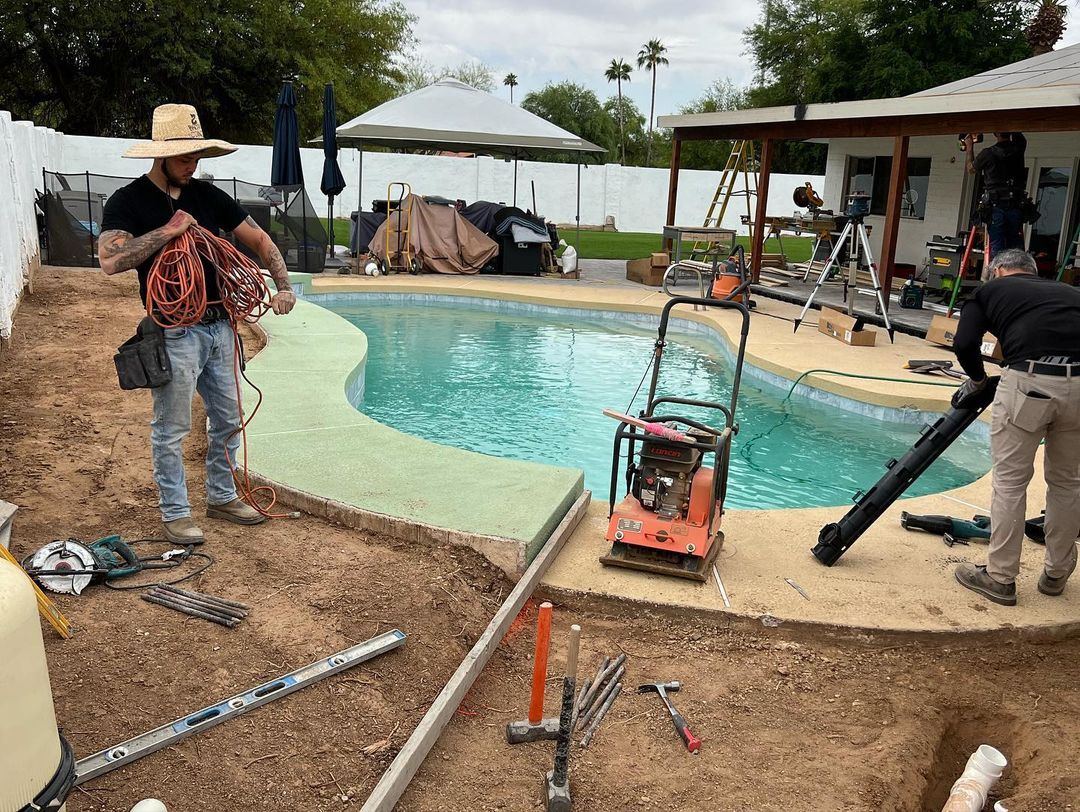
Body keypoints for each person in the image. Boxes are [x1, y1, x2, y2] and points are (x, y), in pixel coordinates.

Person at [98, 104, 297, 545]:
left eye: (197, 158)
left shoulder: (208, 196)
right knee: (172, 428)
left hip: (221, 325)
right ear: (161, 156)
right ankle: (176, 513)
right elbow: (111, 260)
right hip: (173, 329)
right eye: (186, 158)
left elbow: (261, 241)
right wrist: (167, 232)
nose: (193, 166)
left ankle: (222, 497)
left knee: (229, 418)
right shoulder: (128, 202)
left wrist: (283, 286)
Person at [951, 249, 1080, 605]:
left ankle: (1001, 577)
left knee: (1010, 482)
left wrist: (977, 381)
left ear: (999, 270)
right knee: (1067, 482)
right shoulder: (1071, 294)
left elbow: (964, 343)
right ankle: (1056, 573)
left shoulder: (988, 291)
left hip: (1029, 383)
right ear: (1033, 273)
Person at [965, 132, 1027, 258]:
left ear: (995, 133)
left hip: (995, 205)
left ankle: (997, 275)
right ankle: (1013, 274)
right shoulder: (1018, 150)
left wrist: (969, 147)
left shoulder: (987, 153)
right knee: (1014, 246)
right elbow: (1019, 135)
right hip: (1015, 204)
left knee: (997, 246)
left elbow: (971, 169)